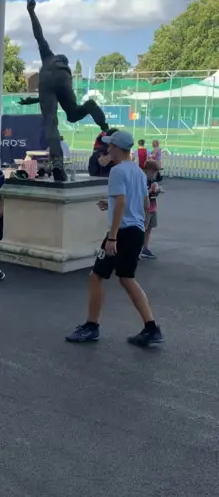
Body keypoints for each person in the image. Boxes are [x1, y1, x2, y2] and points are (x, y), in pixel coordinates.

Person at [66, 130, 163, 347]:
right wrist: (112, 205)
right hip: (136, 231)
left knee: (96, 275)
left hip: (122, 233)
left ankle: (92, 326)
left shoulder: (118, 171)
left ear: (117, 148)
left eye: (110, 146)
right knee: (126, 278)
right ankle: (151, 328)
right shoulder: (138, 172)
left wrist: (112, 237)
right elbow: (145, 205)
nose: (107, 149)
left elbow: (121, 202)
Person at [19, 0, 109, 182]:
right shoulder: (64, 67)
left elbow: (38, 35)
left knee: (50, 121)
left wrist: (31, 11)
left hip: (46, 80)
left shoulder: (47, 56)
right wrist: (33, 100)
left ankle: (57, 162)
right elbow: (57, 95)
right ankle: (99, 119)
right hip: (63, 79)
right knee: (74, 113)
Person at [141, 159, 162, 260]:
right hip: (146, 208)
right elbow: (141, 194)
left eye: (156, 172)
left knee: (149, 229)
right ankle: (138, 248)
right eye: (153, 171)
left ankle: (146, 248)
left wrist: (158, 190)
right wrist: (150, 190)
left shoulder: (153, 180)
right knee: (143, 229)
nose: (155, 174)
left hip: (153, 206)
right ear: (147, 170)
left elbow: (155, 190)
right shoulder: (142, 180)